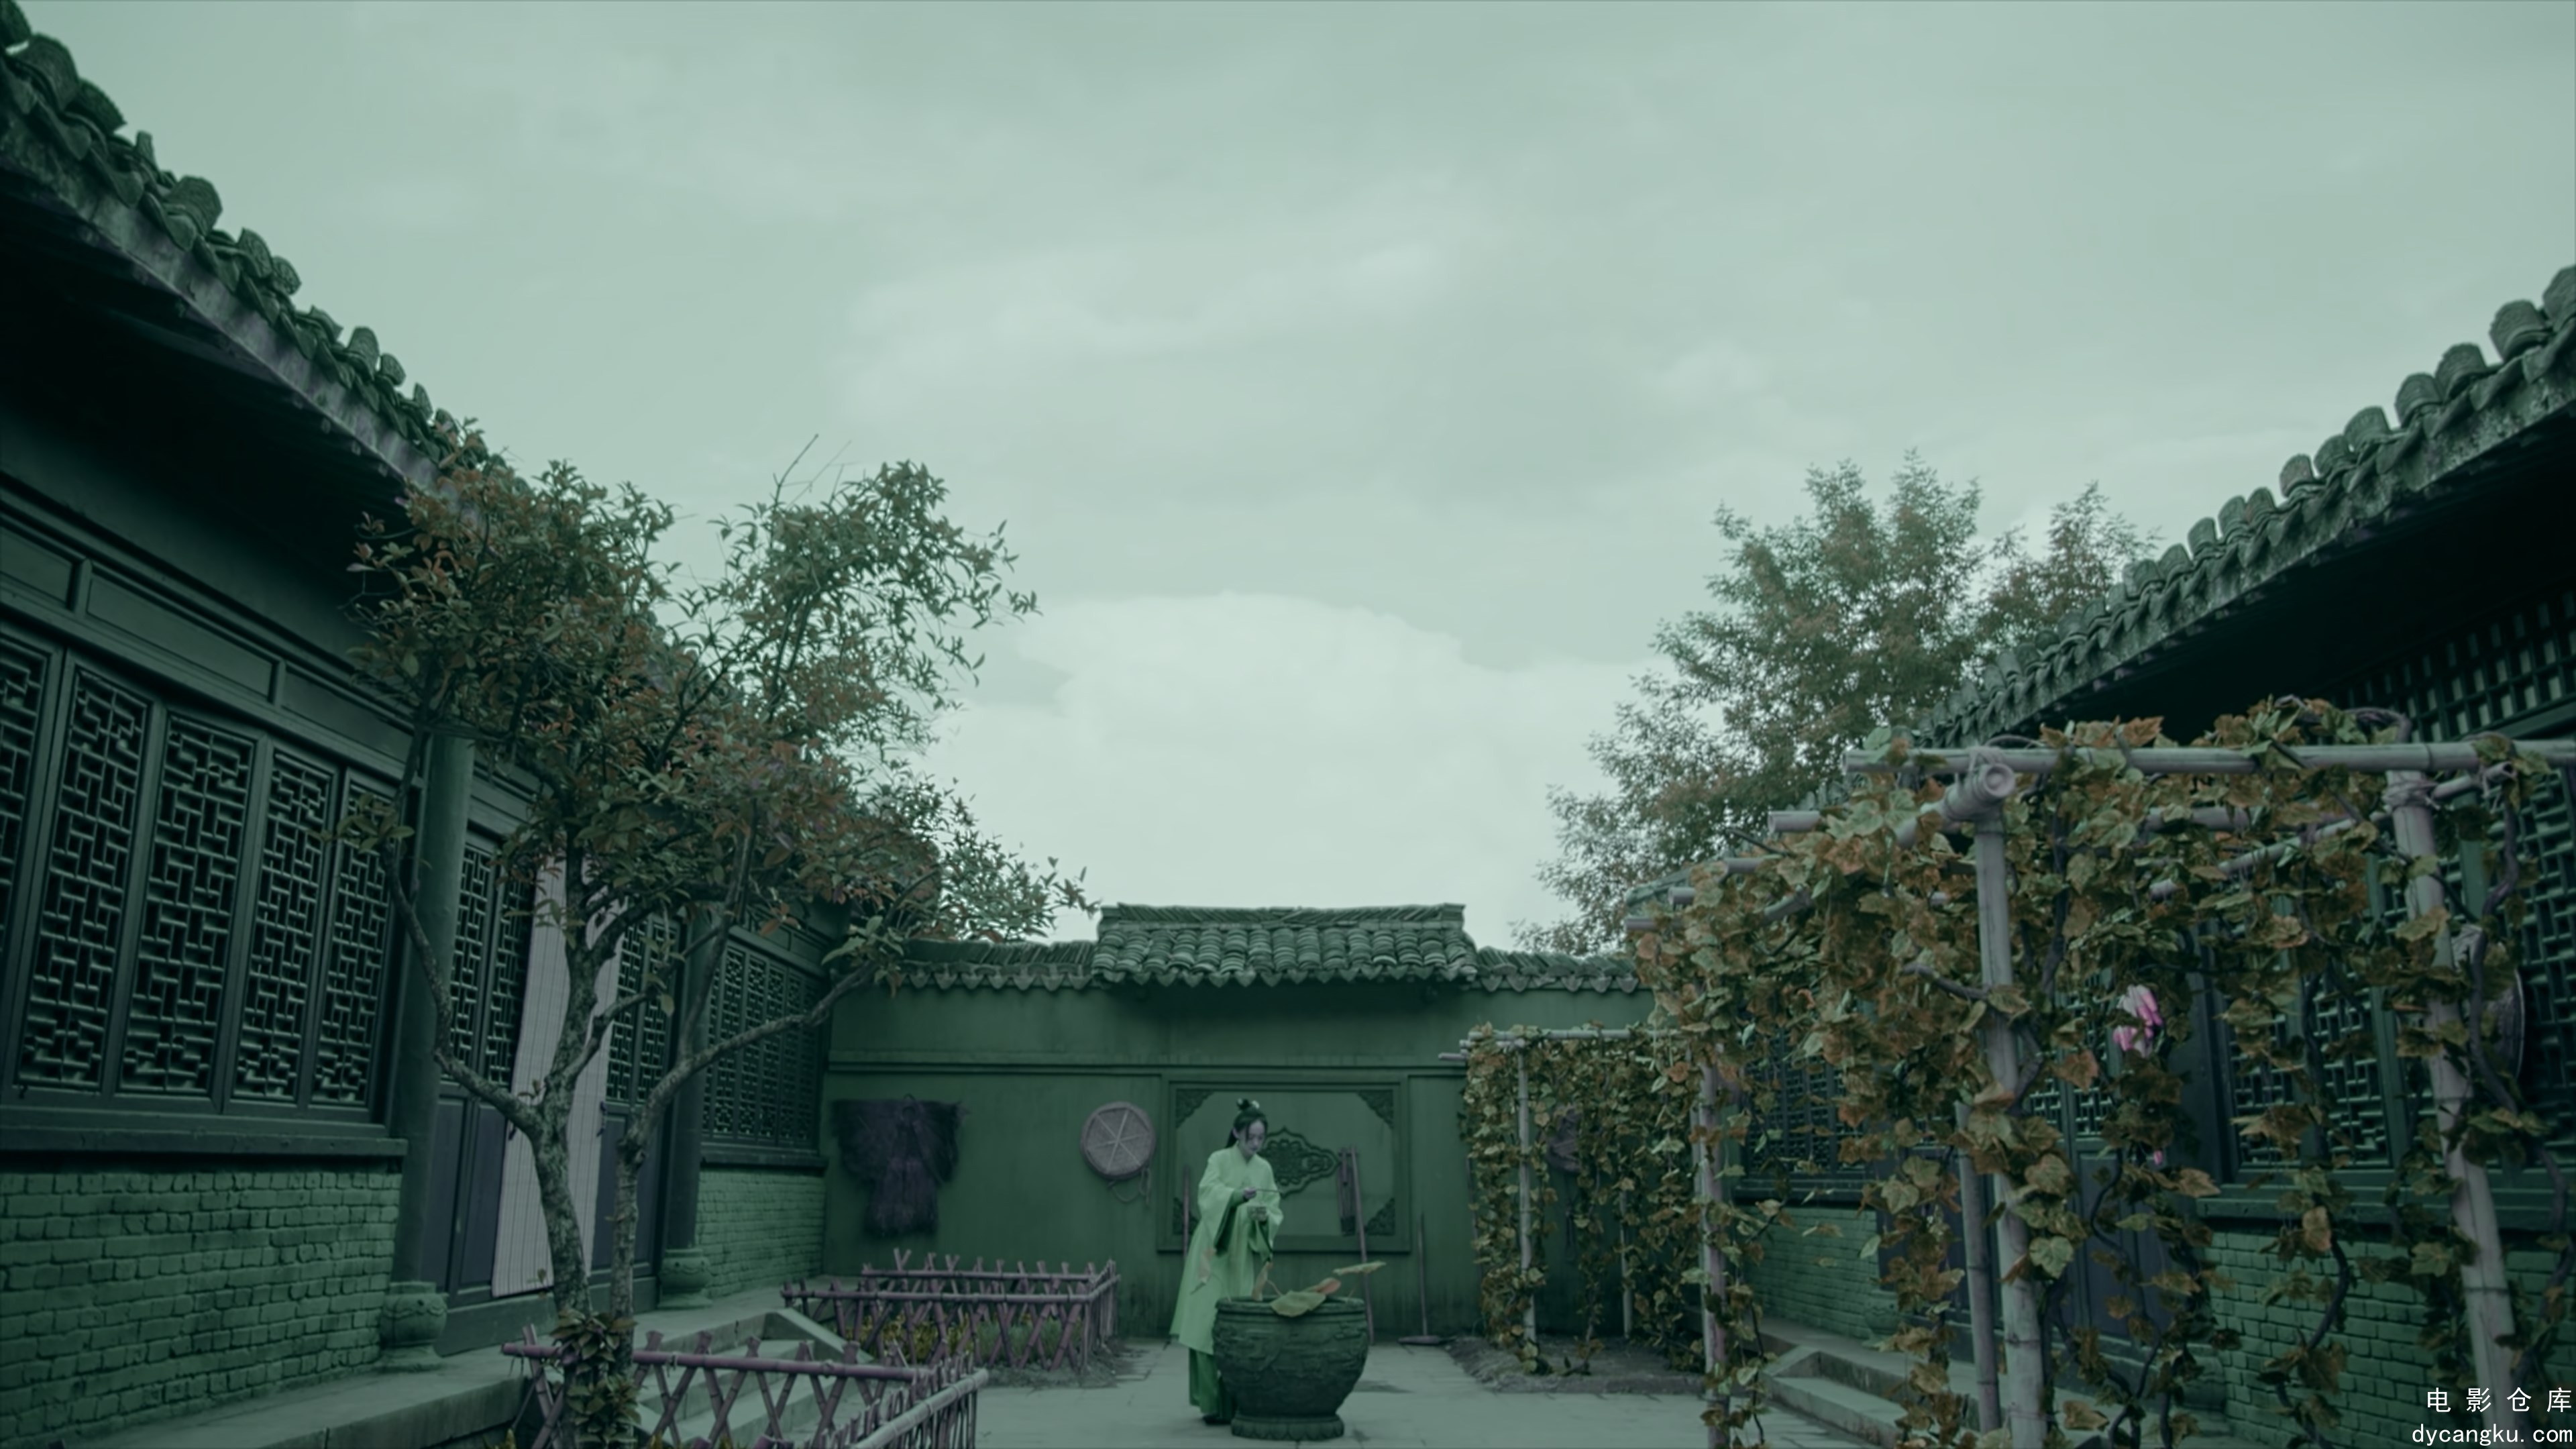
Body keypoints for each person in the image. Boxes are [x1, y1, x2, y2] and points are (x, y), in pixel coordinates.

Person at [1169, 1096, 1283, 1425]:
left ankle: (1235, 1402)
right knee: (1206, 1325)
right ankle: (1210, 1404)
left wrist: (1263, 1216)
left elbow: (1273, 1208)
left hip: (1242, 1253)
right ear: (1237, 1132)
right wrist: (1235, 1197)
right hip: (1214, 1250)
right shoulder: (1218, 1160)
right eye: (1251, 1137)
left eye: (1261, 1138)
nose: (1256, 1144)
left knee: (1238, 1325)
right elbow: (1208, 1195)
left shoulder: (1264, 1169)